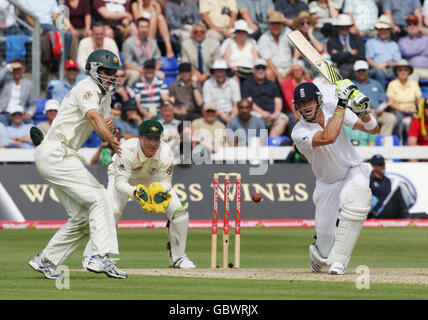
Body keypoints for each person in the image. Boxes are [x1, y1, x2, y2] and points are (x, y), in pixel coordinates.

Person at [28, 49, 127, 280]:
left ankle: (46, 260)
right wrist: (110, 138)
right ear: (94, 71)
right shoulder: (86, 88)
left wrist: (109, 132)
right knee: (100, 197)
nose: (113, 76)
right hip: (57, 152)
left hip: (62, 155)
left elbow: (100, 125)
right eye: (108, 72)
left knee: (82, 219)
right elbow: (94, 118)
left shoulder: (105, 97)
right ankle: (99, 256)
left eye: (114, 72)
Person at [291, 81, 379, 275]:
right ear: (296, 107)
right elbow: (328, 136)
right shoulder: (299, 132)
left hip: (353, 170)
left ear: (319, 101)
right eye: (302, 103)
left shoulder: (332, 108)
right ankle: (318, 254)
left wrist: (363, 112)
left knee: (358, 198)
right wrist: (343, 102)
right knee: (324, 247)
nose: (306, 106)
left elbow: (373, 129)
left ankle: (339, 262)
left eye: (310, 101)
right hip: (327, 184)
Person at [83, 120, 196, 268]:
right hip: (124, 178)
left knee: (179, 212)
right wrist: (136, 192)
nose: (153, 144)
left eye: (156, 139)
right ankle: (94, 256)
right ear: (140, 137)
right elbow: (120, 183)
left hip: (151, 178)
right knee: (111, 212)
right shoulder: (126, 150)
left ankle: (178, 258)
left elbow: (166, 182)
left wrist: (158, 192)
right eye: (149, 139)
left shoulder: (166, 152)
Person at [242, 59, 289, 137]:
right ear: (253, 70)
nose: (261, 70)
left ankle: (271, 142)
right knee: (251, 118)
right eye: (258, 68)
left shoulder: (272, 84)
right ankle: (259, 144)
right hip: (256, 113)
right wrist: (262, 112)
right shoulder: (247, 84)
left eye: (263, 68)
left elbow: (278, 101)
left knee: (283, 119)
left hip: (273, 114)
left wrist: (276, 113)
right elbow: (249, 102)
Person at [353, 60, 396, 135]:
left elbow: (383, 100)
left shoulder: (376, 83)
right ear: (355, 72)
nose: (361, 72)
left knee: (391, 118)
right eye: (359, 71)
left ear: (368, 71)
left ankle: (382, 140)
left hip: (377, 111)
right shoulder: (352, 84)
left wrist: (382, 108)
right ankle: (370, 141)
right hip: (360, 113)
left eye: (363, 70)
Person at [386, 59, 422, 144]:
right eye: (400, 70)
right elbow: (391, 103)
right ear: (397, 72)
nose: (403, 72)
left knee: (418, 121)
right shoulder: (392, 84)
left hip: (412, 111)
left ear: (409, 72)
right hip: (397, 111)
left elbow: (419, 100)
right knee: (399, 121)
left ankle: (414, 145)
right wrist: (403, 109)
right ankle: (400, 144)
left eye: (405, 70)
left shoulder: (414, 84)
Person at [121, 17, 163, 86]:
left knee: (160, 75)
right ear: (137, 28)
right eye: (141, 27)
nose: (144, 30)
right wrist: (143, 70)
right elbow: (127, 64)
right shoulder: (128, 43)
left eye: (146, 27)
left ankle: (156, 95)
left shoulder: (153, 42)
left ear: (149, 28)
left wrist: (152, 69)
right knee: (135, 74)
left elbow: (159, 62)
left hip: (150, 70)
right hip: (135, 70)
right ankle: (133, 95)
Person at [368, 154, 410, 219]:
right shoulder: (369, 180)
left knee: (398, 188)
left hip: (388, 209)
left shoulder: (387, 180)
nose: (383, 166)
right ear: (373, 166)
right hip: (376, 211)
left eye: (384, 163)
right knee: (397, 190)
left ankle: (405, 215)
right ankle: (406, 216)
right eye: (380, 164)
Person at [365, 14, 402, 88]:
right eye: (381, 29)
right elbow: (369, 60)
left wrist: (387, 64)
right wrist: (379, 67)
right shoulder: (370, 42)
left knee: (398, 73)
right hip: (375, 68)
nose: (383, 31)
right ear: (377, 30)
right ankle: (381, 97)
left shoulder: (394, 44)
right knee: (380, 73)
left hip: (390, 68)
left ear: (389, 30)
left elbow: (398, 62)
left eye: (385, 29)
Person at [257, 11, 293, 84]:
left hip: (290, 66)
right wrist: (279, 75)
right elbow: (268, 61)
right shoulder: (264, 38)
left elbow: (297, 46)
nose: (275, 26)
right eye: (273, 23)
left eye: (278, 23)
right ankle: (272, 94)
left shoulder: (287, 31)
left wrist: (294, 62)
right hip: (275, 68)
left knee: (298, 68)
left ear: (282, 24)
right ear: (269, 25)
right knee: (268, 73)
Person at [327, 14, 366, 79]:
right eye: (342, 27)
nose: (345, 29)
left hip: (357, 65)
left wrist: (341, 55)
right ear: (338, 27)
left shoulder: (357, 38)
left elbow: (361, 55)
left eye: (347, 27)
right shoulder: (332, 40)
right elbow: (334, 58)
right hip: (341, 67)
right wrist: (350, 53)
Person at [202, 59, 241, 124]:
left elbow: (236, 104)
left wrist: (232, 118)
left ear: (226, 72)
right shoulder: (208, 84)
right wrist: (222, 115)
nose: (220, 74)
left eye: (222, 71)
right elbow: (208, 105)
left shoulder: (233, 83)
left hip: (231, 113)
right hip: (214, 114)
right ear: (214, 72)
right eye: (217, 71)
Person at [223, 20, 259, 84]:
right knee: (235, 80)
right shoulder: (229, 42)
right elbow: (226, 60)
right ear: (235, 32)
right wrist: (232, 68)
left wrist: (255, 69)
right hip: (234, 71)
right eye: (238, 31)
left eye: (243, 32)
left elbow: (256, 59)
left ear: (246, 33)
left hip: (250, 71)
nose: (241, 33)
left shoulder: (251, 42)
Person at [0, 60, 36, 126]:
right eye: (14, 69)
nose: (16, 71)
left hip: (20, 114)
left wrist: (30, 113)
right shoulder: (5, 81)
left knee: (31, 125)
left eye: (18, 69)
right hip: (5, 113)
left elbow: (33, 103)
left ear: (23, 69)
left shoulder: (29, 84)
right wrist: (8, 67)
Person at [293, 11, 327, 77]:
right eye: (302, 23)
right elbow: (295, 58)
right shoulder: (296, 37)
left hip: (319, 68)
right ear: (299, 26)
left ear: (311, 24)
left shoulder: (318, 35)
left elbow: (320, 49)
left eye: (308, 23)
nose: (305, 25)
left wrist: (310, 34)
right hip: (304, 69)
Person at [398, 14, 428, 83]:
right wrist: (424, 47)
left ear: (418, 26)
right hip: (414, 70)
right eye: (409, 24)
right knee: (411, 75)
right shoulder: (403, 40)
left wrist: (413, 49)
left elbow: (411, 51)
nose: (412, 26)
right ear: (406, 27)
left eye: (415, 24)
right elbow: (407, 52)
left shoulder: (426, 38)